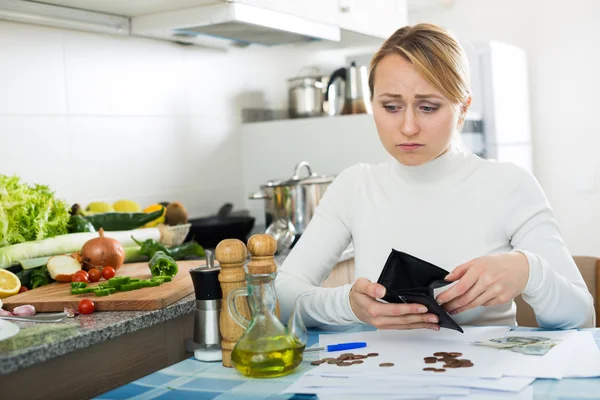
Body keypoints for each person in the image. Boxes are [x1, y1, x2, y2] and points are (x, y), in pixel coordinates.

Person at [274, 23, 595, 331]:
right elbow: (285, 297)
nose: (409, 127)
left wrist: (530, 272)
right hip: (383, 380)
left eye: (428, 107)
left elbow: (581, 318)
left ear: (463, 108)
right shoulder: (354, 187)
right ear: (372, 104)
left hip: (489, 382)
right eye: (390, 106)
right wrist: (349, 305)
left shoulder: (510, 185)